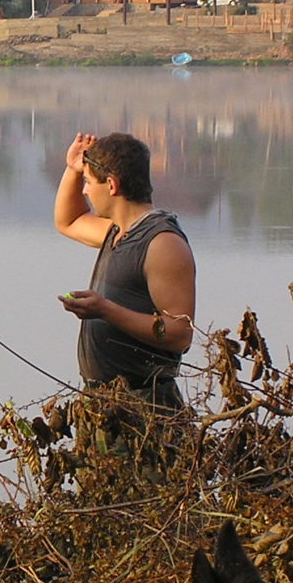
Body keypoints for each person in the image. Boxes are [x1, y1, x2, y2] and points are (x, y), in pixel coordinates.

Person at [53, 131, 196, 411]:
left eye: (87, 182)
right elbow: (68, 221)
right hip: (103, 402)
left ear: (111, 185)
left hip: (145, 405)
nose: (84, 191)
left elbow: (180, 334)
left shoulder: (161, 244)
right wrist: (73, 170)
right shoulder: (117, 231)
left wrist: (105, 310)